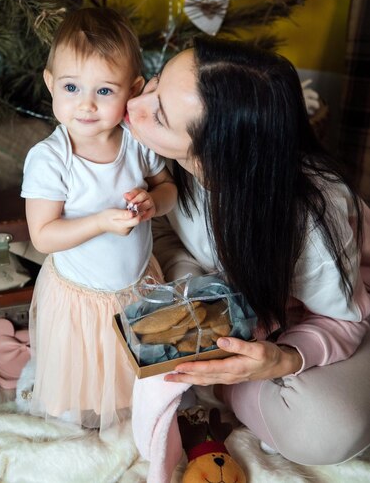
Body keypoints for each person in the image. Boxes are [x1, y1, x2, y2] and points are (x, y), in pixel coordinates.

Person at [126, 36, 370, 469]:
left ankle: (233, 387)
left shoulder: (312, 224)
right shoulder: (156, 159)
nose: (134, 103)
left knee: (327, 430)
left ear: (216, 156)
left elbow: (345, 319)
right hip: (264, 308)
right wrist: (203, 292)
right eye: (156, 82)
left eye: (159, 115)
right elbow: (166, 234)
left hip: (345, 308)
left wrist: (281, 359)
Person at [21, 7, 177, 432]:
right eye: (71, 87)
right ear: (51, 83)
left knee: (136, 364)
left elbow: (168, 189)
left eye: (105, 91)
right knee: (88, 374)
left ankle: (136, 408)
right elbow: (44, 236)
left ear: (134, 89)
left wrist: (152, 204)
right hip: (81, 296)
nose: (86, 104)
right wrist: (100, 222)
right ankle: (92, 418)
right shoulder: (50, 159)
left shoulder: (137, 143)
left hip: (137, 282)